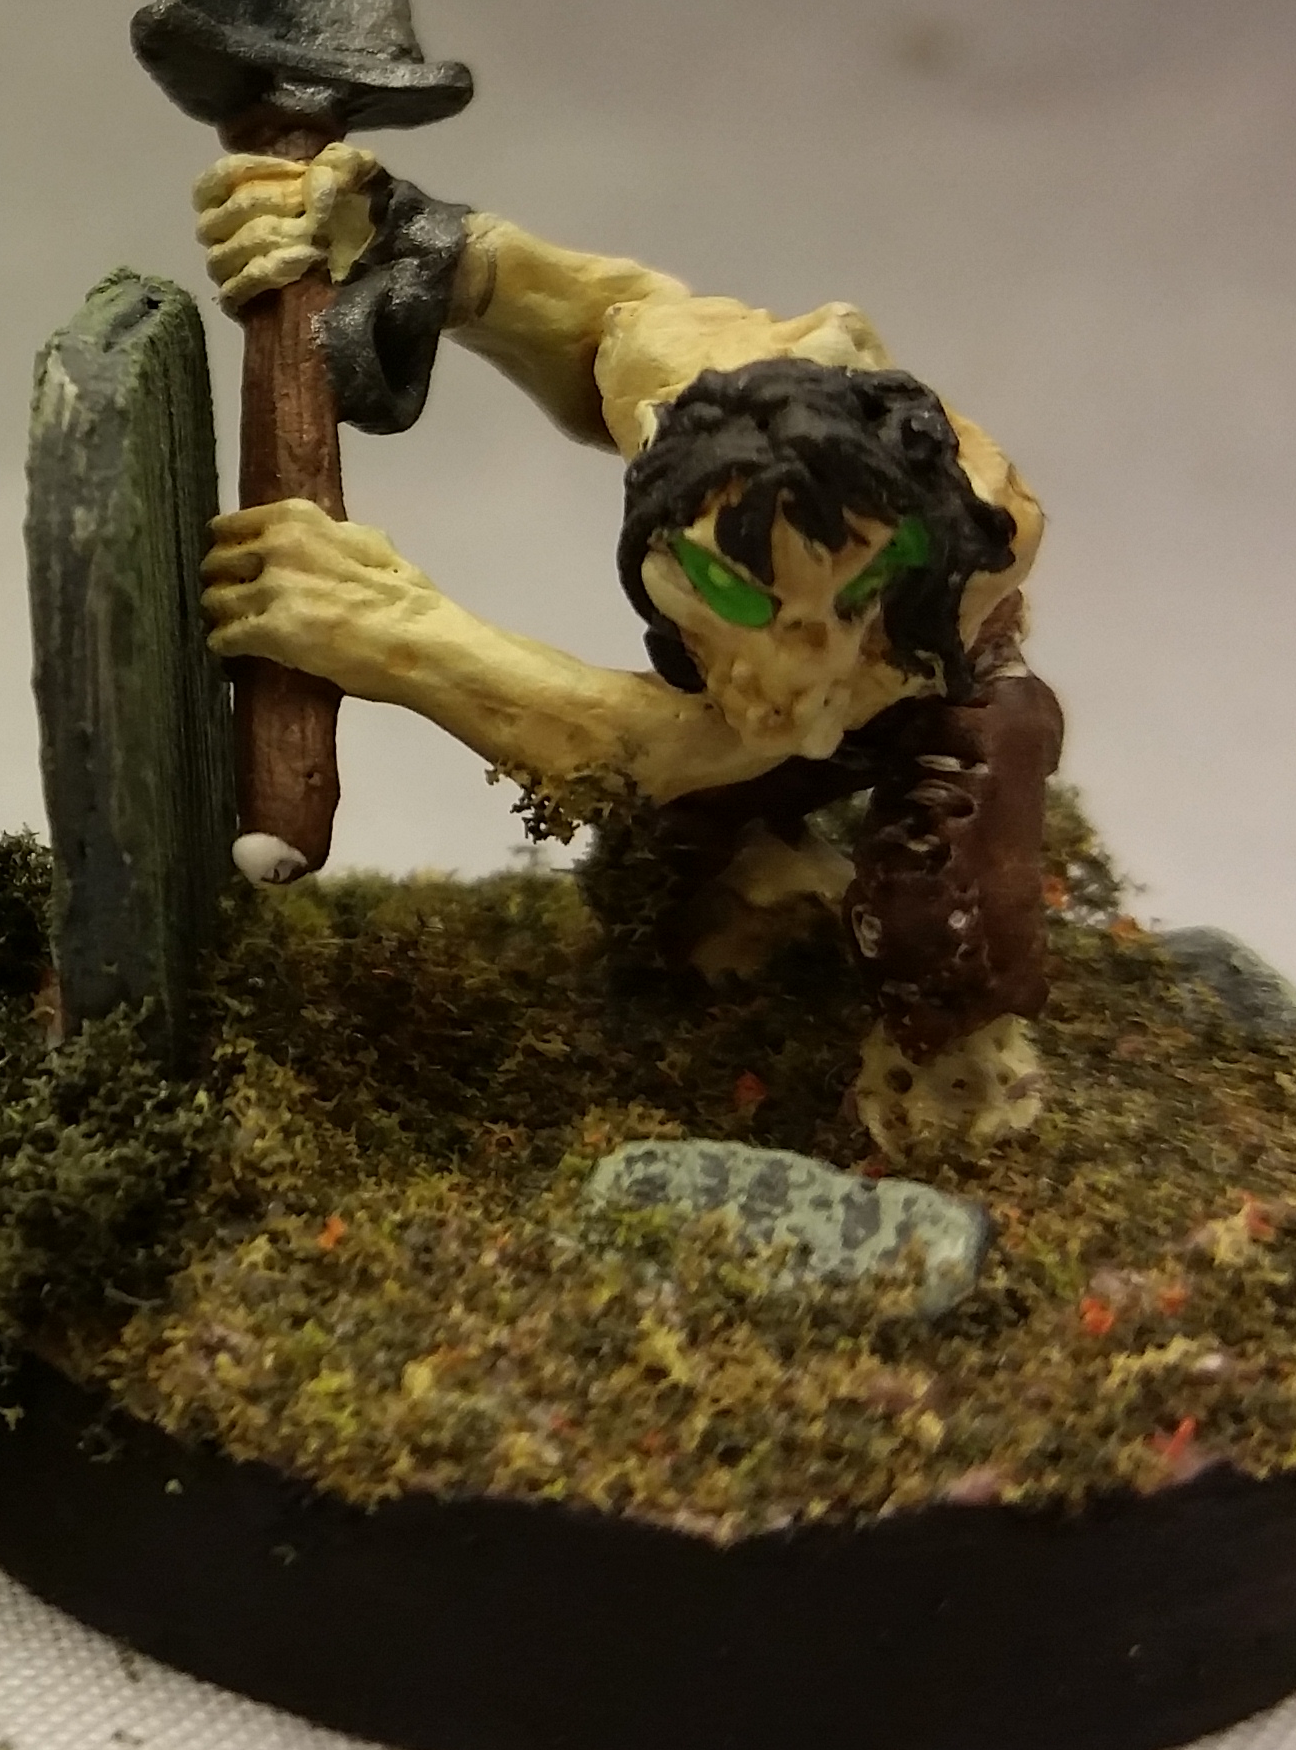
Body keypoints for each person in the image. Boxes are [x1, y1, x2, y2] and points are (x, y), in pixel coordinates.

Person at [190, 147, 1063, 1153]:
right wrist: (407, 240)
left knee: (936, 903)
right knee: (670, 875)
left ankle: (960, 1065)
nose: (795, 648)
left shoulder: (968, 541)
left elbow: (631, 751)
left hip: (945, 680)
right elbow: (602, 315)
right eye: (730, 588)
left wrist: (392, 628)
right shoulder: (686, 374)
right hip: (756, 706)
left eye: (849, 592)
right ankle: (768, 902)